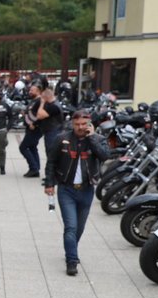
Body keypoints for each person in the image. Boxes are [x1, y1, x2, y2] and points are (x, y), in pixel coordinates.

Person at [44, 110, 110, 276]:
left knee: (79, 228)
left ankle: (71, 247)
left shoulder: (98, 139)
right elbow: (51, 161)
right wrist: (49, 183)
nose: (80, 127)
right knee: (71, 227)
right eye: (77, 124)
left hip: (86, 190)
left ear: (89, 124)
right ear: (72, 124)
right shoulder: (62, 139)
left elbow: (104, 156)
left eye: (84, 124)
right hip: (66, 190)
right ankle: (71, 260)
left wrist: (92, 137)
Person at [20, 83, 64, 178]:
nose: (41, 99)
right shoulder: (49, 104)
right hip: (47, 130)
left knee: (49, 153)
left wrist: (42, 103)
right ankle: (39, 170)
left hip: (52, 131)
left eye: (33, 90)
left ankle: (41, 171)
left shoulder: (53, 106)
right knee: (34, 148)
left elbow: (39, 115)